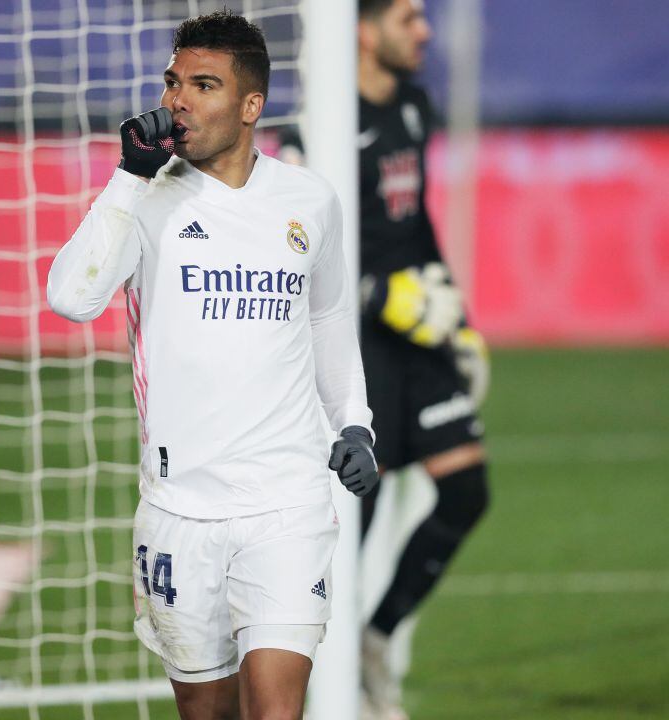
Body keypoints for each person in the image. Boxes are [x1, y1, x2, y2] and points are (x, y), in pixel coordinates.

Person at [47, 10, 380, 719]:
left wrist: (353, 422)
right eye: (173, 83)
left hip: (286, 502)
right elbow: (72, 298)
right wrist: (127, 178)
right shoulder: (147, 199)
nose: (179, 101)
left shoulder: (308, 201)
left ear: (250, 105)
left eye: (203, 85)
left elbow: (326, 319)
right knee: (206, 712)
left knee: (276, 710)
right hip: (179, 511)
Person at [355, 1, 491, 717]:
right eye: (409, 16)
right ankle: (321, 671)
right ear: (363, 27)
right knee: (359, 516)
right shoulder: (318, 127)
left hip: (420, 333)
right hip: (359, 341)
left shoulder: (412, 103)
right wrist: (381, 299)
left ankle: (374, 642)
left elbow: (418, 219)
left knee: (467, 490)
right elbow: (304, 251)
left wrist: (455, 319)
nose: (425, 30)